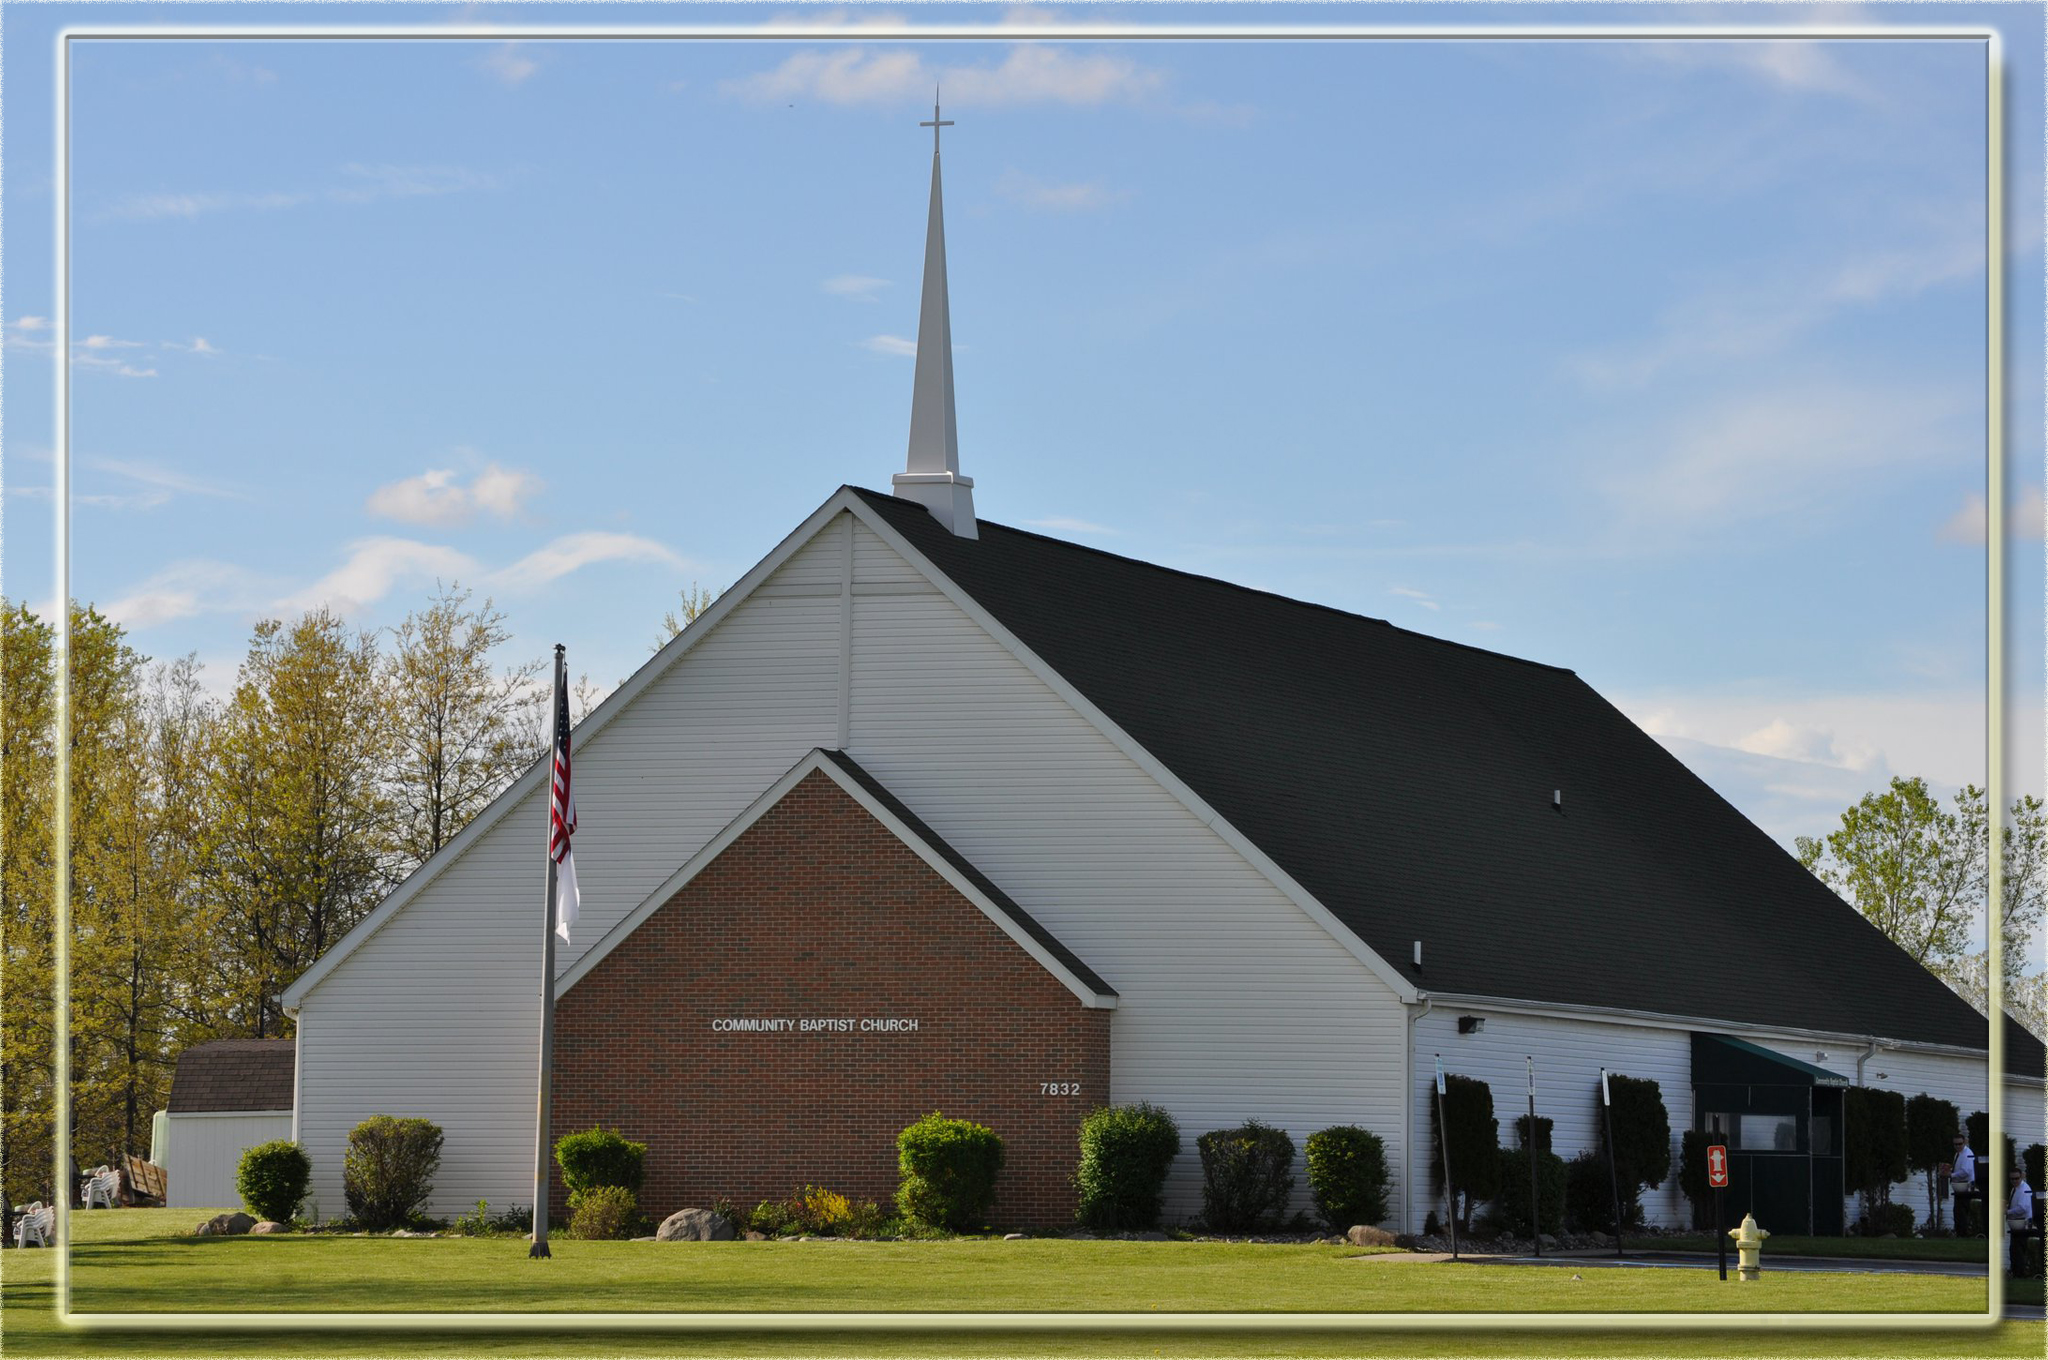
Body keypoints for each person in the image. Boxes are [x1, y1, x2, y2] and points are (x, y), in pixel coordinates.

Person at [2009, 1167, 2038, 1277]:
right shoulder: (2015, 1189)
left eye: (2016, 1178)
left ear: (2021, 1177)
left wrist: (2008, 1212)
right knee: (2014, 1249)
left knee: (2019, 1250)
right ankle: (2016, 1271)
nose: (2014, 1181)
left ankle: (2020, 1273)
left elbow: (2023, 1208)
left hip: (2023, 1225)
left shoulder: (2024, 1189)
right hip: (2017, 1225)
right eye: (2012, 1179)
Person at [1951, 1133, 1978, 1237]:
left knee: (1961, 1212)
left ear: (1964, 1142)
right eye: (1955, 1144)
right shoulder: (1958, 1154)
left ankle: (1963, 1234)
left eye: (1959, 1144)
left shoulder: (1967, 1154)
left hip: (1966, 1187)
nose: (1957, 1146)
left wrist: (1951, 1175)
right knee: (1958, 1212)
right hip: (1960, 1187)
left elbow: (1966, 1172)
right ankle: (1960, 1233)